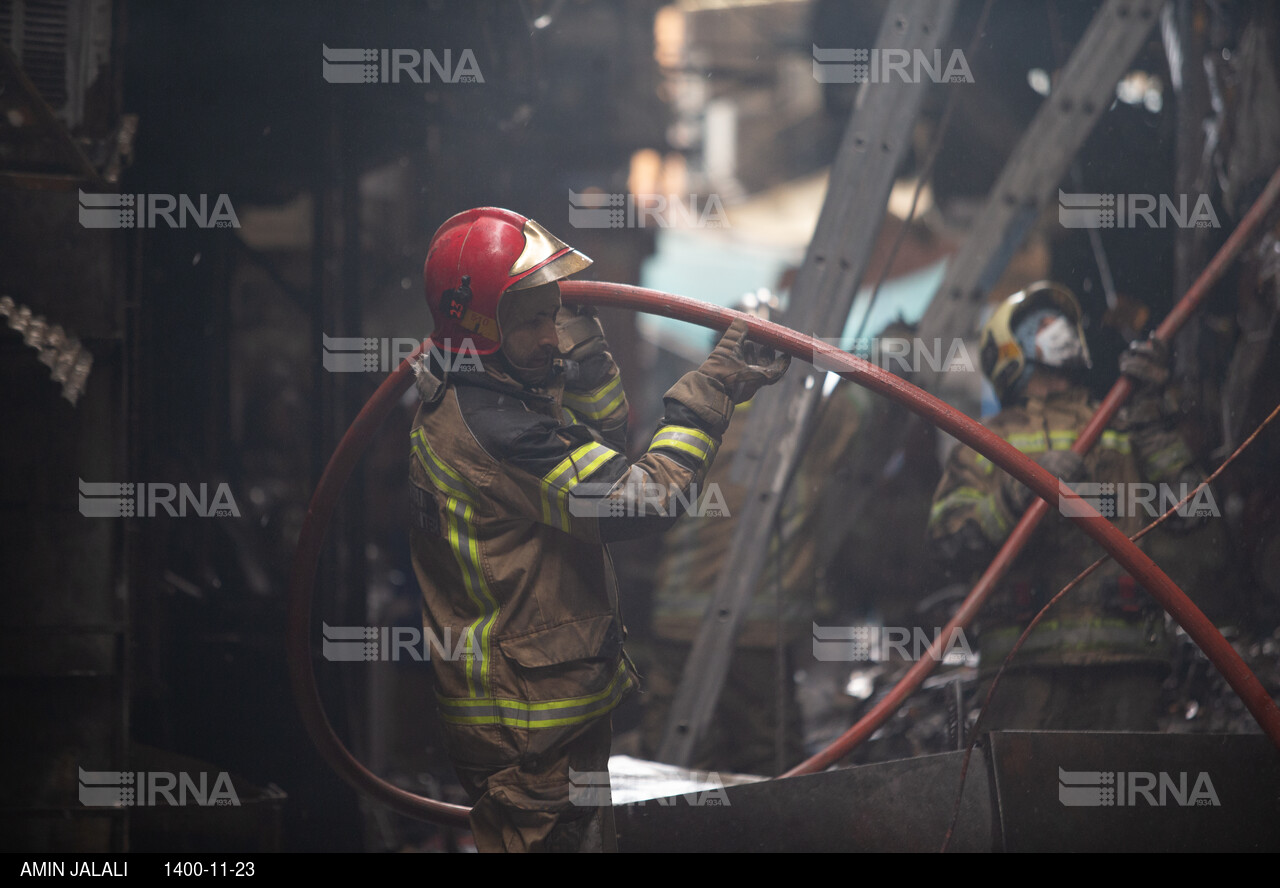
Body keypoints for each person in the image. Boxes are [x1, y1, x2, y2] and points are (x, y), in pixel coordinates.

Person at [407, 207, 788, 851]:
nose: (551, 336)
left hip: (543, 722)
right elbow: (643, 498)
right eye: (531, 320)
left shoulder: (492, 393)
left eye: (551, 313)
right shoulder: (499, 430)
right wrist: (714, 386)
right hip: (528, 739)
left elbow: (603, 444)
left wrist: (587, 359)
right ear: (482, 327)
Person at [927, 282, 1200, 731]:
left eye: (1061, 319)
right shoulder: (983, 441)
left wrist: (1151, 418)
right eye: (1040, 321)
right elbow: (949, 543)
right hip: (1023, 671)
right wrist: (1018, 492)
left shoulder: (1123, 422)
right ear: (1005, 347)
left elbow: (1192, 510)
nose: (1058, 330)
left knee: (1125, 801)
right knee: (1027, 800)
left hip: (1126, 664)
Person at [640, 296, 863, 776]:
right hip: (760, 633)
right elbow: (867, 404)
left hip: (677, 622)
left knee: (672, 773)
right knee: (768, 769)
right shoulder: (808, 425)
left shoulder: (684, 418)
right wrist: (898, 350)